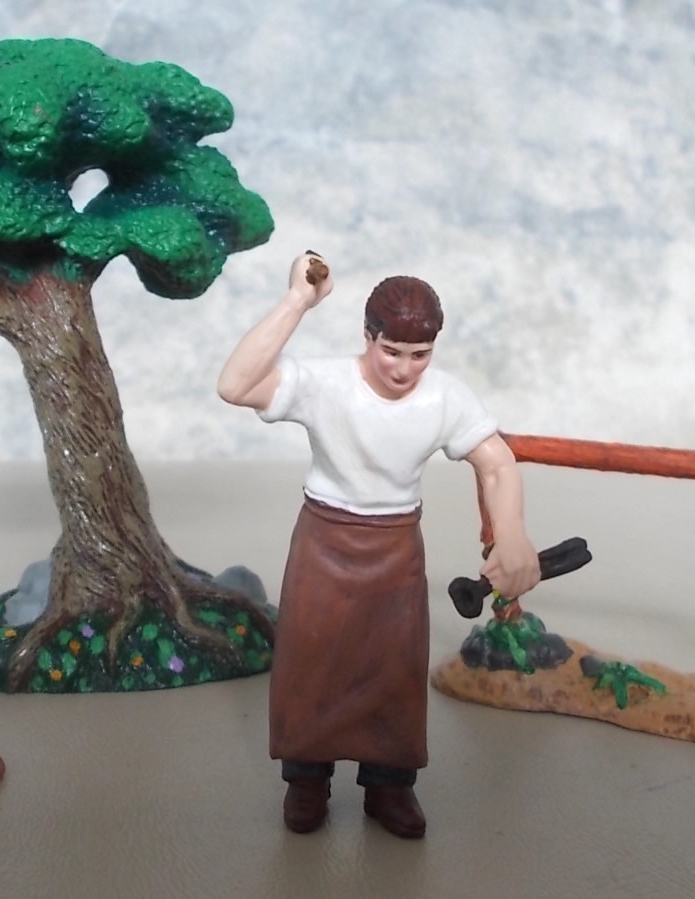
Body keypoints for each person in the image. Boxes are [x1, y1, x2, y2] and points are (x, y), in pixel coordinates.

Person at [217, 252, 540, 839]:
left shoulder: (445, 397)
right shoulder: (324, 384)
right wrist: (297, 301)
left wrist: (512, 533)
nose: (404, 368)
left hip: (396, 547)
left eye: (420, 355)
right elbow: (235, 385)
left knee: (394, 666)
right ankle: (306, 779)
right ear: (368, 337)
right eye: (392, 351)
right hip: (324, 540)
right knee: (311, 660)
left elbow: (496, 463)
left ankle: (390, 785)